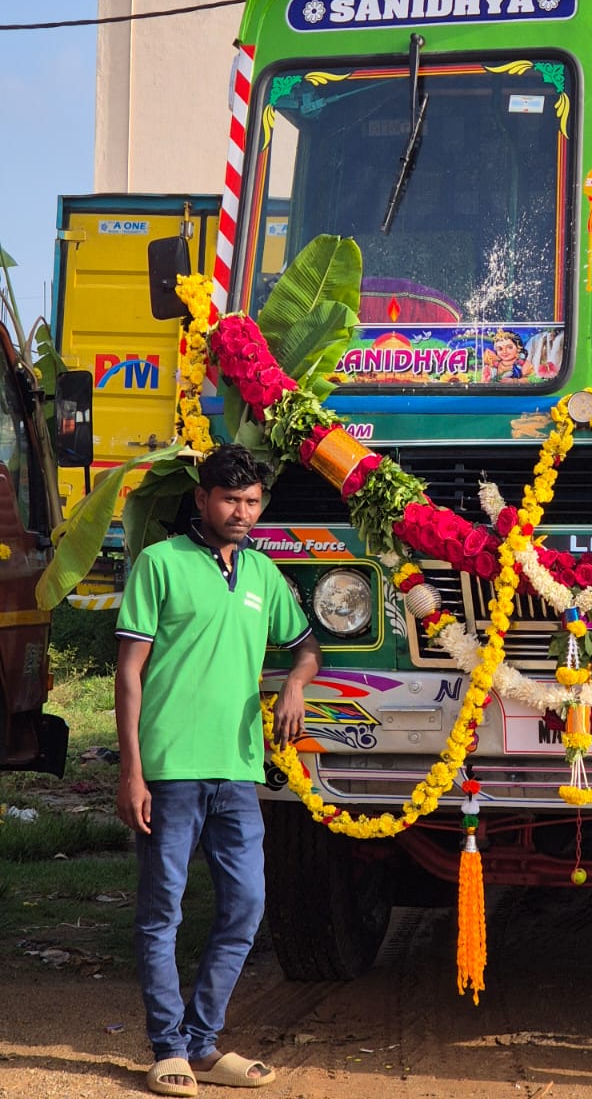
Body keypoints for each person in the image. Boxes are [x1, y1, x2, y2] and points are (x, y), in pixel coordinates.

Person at [116, 445, 321, 1096]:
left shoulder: (262, 573)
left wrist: (295, 684)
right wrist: (131, 773)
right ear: (203, 499)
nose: (242, 511)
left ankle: (204, 1043)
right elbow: (127, 674)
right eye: (230, 499)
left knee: (247, 905)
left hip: (237, 770)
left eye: (253, 501)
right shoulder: (160, 564)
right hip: (170, 768)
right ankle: (169, 1046)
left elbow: (305, 646)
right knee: (162, 912)